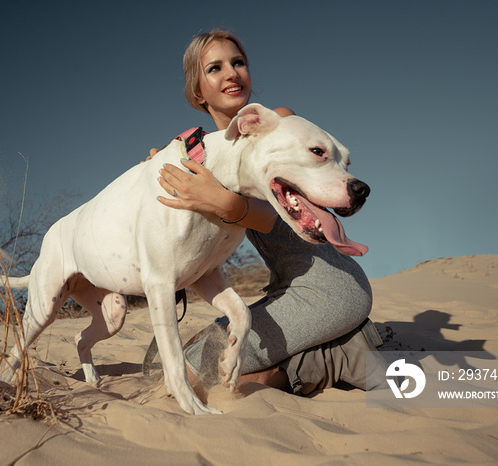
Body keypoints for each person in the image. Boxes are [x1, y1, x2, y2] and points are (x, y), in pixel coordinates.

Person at [154, 30, 386, 396]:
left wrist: (225, 202)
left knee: (193, 369)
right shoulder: (201, 157)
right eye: (215, 68)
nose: (231, 73)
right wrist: (161, 174)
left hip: (329, 287)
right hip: (285, 288)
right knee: (169, 354)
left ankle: (334, 355)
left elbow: (271, 216)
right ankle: (333, 344)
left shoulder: (282, 123)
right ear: (198, 91)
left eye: (238, 62)